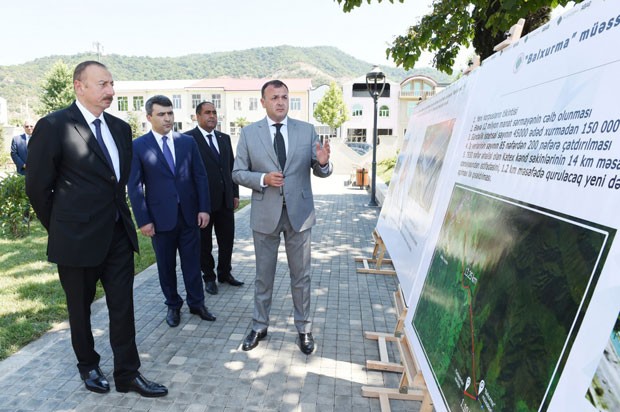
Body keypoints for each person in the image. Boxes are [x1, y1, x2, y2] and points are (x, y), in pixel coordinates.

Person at [25, 61, 167, 397]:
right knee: (80, 309)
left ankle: (128, 374)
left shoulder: (119, 128)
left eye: (112, 84)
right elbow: (37, 188)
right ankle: (88, 365)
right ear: (79, 86)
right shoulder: (55, 126)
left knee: (123, 307)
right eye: (103, 84)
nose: (111, 91)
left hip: (118, 235)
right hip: (75, 240)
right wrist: (61, 227)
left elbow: (118, 182)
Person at [232, 79, 332, 354]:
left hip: (299, 215)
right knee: (263, 276)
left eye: (284, 97)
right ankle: (259, 325)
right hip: (265, 215)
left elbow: (319, 169)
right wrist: (263, 178)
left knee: (302, 276)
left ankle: (304, 329)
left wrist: (323, 163)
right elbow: (237, 173)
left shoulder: (306, 130)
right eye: (274, 97)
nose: (280, 102)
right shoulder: (249, 134)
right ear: (263, 102)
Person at [128, 95, 216, 329]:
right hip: (160, 219)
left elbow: (200, 177)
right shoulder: (138, 146)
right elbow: (134, 187)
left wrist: (204, 208)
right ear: (149, 117)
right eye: (161, 114)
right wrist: (143, 220)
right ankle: (173, 305)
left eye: (170, 113)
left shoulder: (187, 142)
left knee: (192, 262)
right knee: (166, 266)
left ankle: (197, 303)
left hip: (189, 215)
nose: (167, 118)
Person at [183, 101, 243, 296]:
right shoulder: (187, 139)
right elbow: (186, 174)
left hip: (225, 201)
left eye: (214, 112)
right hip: (203, 204)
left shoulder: (224, 138)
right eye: (207, 113)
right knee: (204, 243)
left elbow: (231, 168)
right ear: (197, 116)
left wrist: (235, 194)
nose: (212, 116)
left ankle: (225, 273)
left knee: (227, 240)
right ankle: (208, 277)